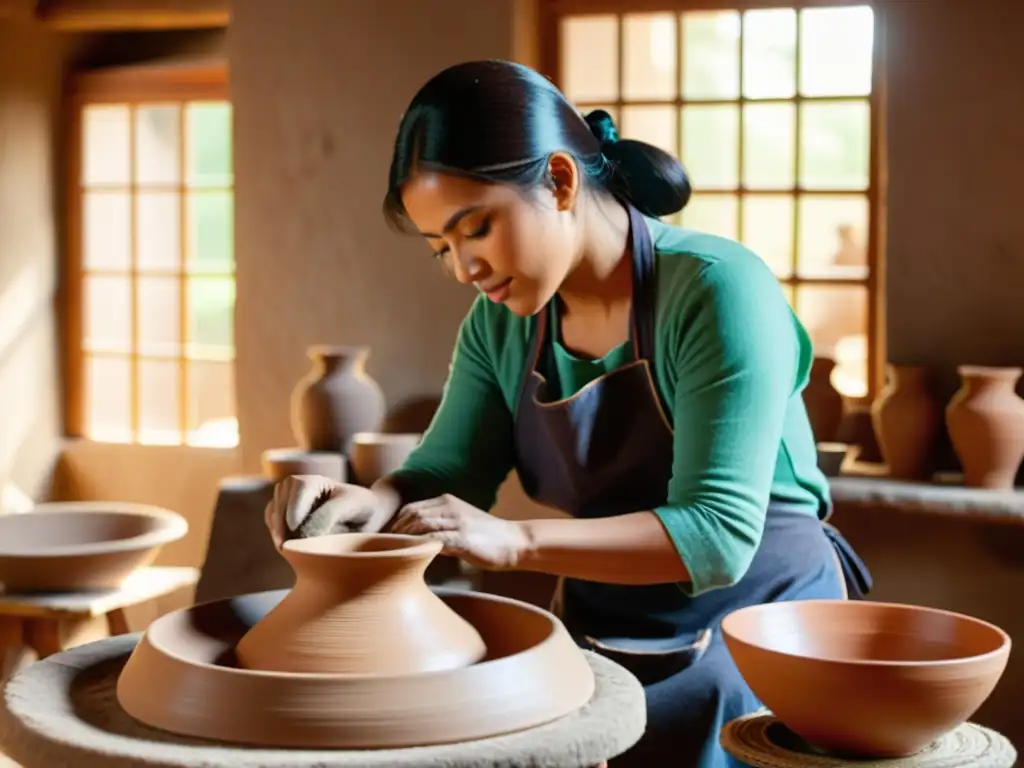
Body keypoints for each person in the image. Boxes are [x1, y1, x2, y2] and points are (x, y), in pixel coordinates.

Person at [265, 59, 872, 768]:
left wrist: (515, 541)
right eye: (443, 248)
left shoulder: (717, 290)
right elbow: (450, 468)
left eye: (477, 228)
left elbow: (717, 535)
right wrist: (369, 503)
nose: (465, 268)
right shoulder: (500, 326)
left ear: (558, 180)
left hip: (765, 633)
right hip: (603, 631)